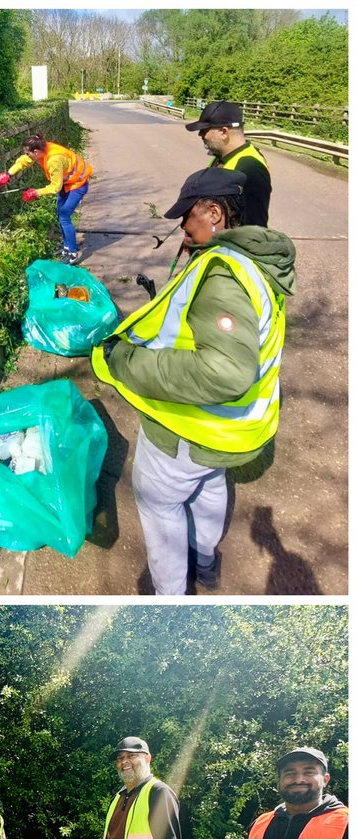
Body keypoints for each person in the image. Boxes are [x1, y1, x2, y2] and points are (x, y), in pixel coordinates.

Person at [90, 168, 295, 595]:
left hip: (188, 428)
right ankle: (205, 563)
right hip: (229, 431)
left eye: (188, 217)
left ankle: (171, 599)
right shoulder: (255, 262)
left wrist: (128, 361)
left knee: (160, 507)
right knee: (208, 483)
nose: (183, 227)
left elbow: (225, 371)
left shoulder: (221, 276)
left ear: (215, 212)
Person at [0, 132, 94, 263]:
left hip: (78, 184)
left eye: (28, 153)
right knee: (60, 214)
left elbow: (55, 187)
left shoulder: (53, 160)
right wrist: (8, 174)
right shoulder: (42, 149)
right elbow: (24, 161)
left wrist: (35, 193)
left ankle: (73, 254)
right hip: (67, 183)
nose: (27, 155)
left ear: (35, 151)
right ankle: (66, 247)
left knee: (64, 216)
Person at [185, 100, 272, 228]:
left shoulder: (250, 167)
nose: (200, 135)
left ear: (224, 132)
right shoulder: (222, 157)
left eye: (204, 130)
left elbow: (254, 226)